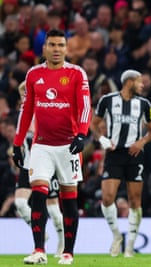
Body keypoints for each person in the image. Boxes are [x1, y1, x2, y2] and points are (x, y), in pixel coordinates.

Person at [12, 29, 92, 265]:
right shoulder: (33, 74)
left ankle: (68, 253)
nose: (56, 49)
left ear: (66, 49)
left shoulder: (77, 73)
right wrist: (17, 144)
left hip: (69, 146)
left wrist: (81, 134)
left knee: (69, 200)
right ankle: (39, 250)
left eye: (61, 45)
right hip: (41, 146)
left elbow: (85, 106)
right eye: (52, 45)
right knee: (38, 195)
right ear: (44, 48)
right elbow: (26, 110)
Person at [91, 69, 151, 257]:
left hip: (135, 155)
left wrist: (141, 142)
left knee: (135, 200)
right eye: (139, 81)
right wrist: (101, 139)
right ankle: (116, 235)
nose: (142, 85)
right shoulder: (107, 100)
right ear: (129, 82)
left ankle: (130, 247)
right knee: (107, 198)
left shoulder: (144, 104)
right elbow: (93, 124)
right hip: (114, 153)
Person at [14, 81, 64, 258]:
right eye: (22, 95)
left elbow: (38, 131)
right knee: (20, 203)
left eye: (26, 95)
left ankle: (62, 243)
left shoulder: (44, 109)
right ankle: (42, 234)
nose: (23, 99)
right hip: (28, 166)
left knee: (53, 209)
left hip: (46, 164)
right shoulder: (23, 112)